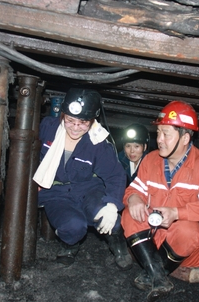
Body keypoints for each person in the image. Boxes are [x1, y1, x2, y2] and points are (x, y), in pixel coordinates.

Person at [121, 101, 199, 302]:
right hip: (153, 240)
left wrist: (177, 213)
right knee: (129, 214)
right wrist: (134, 198)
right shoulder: (150, 160)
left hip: (185, 250)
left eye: (166, 134)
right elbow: (134, 190)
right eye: (158, 133)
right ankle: (158, 278)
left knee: (187, 229)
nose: (159, 140)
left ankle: (152, 273)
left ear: (185, 138)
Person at [33, 88, 132, 270]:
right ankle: (70, 245)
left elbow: (115, 175)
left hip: (89, 189)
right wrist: (34, 180)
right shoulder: (47, 128)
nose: (75, 127)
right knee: (73, 226)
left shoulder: (98, 143)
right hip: (55, 192)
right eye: (70, 120)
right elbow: (25, 154)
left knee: (106, 216)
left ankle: (119, 245)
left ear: (92, 121)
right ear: (63, 114)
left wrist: (112, 205)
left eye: (83, 122)